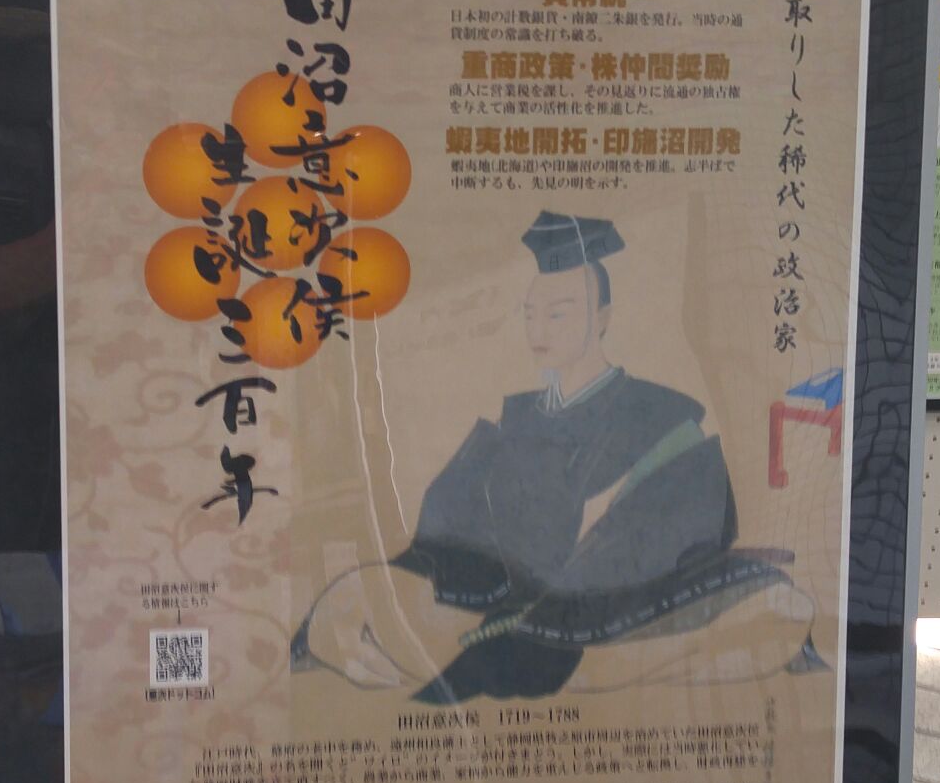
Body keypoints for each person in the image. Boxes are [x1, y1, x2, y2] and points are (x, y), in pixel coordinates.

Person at [295, 211, 819, 704]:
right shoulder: (511, 423)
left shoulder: (662, 419)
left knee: (772, 604)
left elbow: (676, 548)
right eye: (530, 315)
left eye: (558, 313)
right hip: (505, 619)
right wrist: (351, 592)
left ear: (603, 317)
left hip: (610, 616)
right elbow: (440, 549)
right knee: (355, 602)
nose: (539, 330)